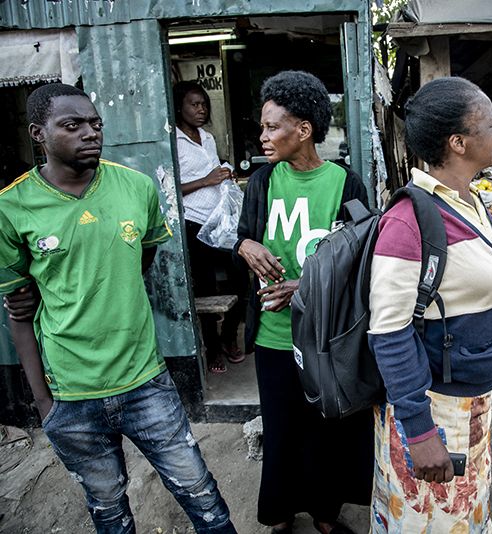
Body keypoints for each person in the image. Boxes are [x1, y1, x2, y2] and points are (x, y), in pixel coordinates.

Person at [0, 83, 237, 534]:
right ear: (38, 133)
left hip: (147, 382)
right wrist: (44, 404)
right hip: (70, 395)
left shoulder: (136, 187)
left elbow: (141, 259)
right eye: (72, 125)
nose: (90, 133)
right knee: (107, 508)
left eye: (95, 124)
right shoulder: (11, 207)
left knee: (201, 494)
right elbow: (18, 311)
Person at [368, 77, 492, 532]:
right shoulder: (408, 223)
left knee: (462, 514)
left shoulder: (472, 202)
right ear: (458, 142)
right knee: (432, 519)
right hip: (435, 412)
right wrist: (419, 432)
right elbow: (390, 334)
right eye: (490, 125)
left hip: (471, 402)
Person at [233, 70, 373, 534]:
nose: (264, 136)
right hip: (274, 334)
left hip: (324, 336)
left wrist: (305, 288)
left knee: (326, 427)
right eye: (263, 127)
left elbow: (360, 264)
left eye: (273, 127)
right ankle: (278, 515)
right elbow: (245, 237)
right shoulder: (260, 183)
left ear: (304, 130)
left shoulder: (347, 184)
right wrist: (244, 246)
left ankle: (326, 514)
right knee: (281, 428)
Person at [174, 81, 247, 374]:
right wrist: (207, 180)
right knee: (204, 290)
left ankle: (230, 337)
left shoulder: (207, 138)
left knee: (242, 278)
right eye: (194, 104)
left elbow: (215, 174)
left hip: (218, 223)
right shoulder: (172, 142)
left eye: (204, 104)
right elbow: (167, 187)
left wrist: (224, 175)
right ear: (179, 107)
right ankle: (213, 348)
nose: (201, 109)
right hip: (192, 224)